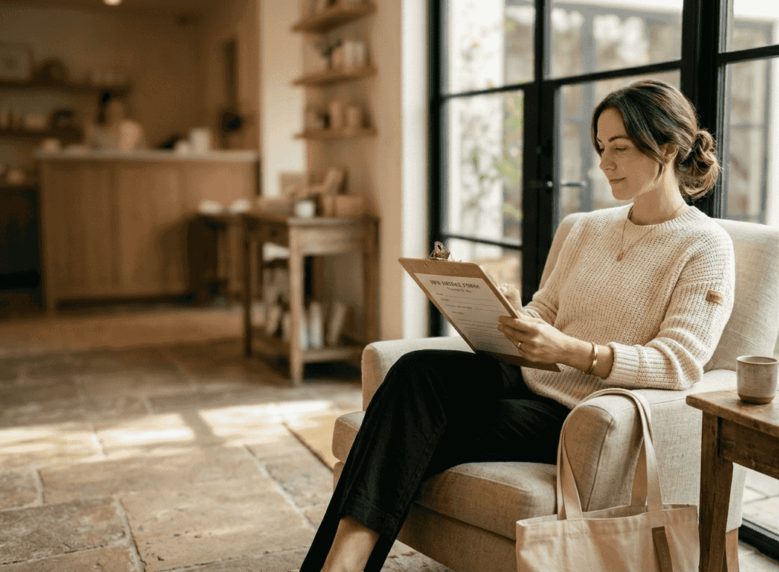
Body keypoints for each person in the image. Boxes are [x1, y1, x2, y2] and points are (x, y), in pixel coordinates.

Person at [301, 79, 735, 572]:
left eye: (620, 147)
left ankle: (340, 566)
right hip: (528, 374)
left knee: (400, 430)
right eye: (599, 147)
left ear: (669, 148)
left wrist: (570, 352)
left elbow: (680, 362)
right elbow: (544, 311)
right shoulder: (587, 227)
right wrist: (508, 315)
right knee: (415, 371)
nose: (604, 163)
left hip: (581, 411)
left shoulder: (705, 247)